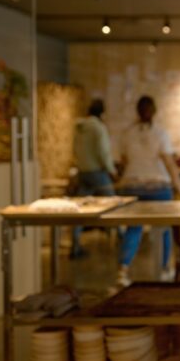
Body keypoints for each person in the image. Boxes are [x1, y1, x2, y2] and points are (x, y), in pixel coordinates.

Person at [115, 95, 180, 287]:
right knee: (164, 228)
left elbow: (123, 162)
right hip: (158, 187)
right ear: (154, 111)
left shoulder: (127, 134)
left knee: (134, 228)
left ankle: (122, 270)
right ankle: (164, 268)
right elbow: (170, 165)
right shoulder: (160, 133)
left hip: (131, 187)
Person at [70, 98, 117, 258]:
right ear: (102, 113)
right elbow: (103, 152)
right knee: (114, 204)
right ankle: (122, 239)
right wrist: (111, 170)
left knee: (79, 210)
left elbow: (74, 149)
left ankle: (75, 245)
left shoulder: (79, 128)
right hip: (97, 172)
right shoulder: (99, 128)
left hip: (83, 171)